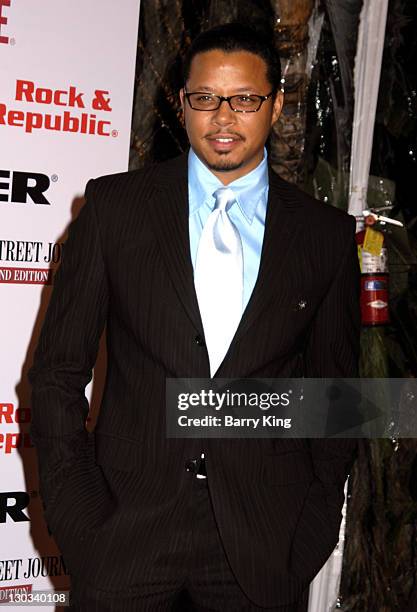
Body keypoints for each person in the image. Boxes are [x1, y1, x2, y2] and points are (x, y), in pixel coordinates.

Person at [29, 22, 361, 612]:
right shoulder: (115, 210)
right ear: (182, 104)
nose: (223, 117)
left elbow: (338, 397)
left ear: (276, 103)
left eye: (244, 99)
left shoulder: (325, 237)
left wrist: (308, 534)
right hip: (124, 531)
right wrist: (80, 522)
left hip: (263, 543)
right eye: (205, 99)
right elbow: (57, 374)